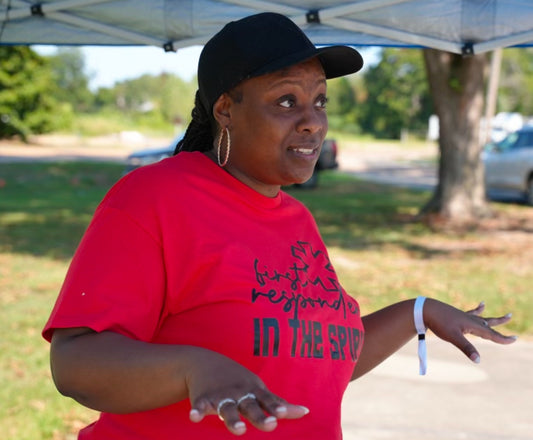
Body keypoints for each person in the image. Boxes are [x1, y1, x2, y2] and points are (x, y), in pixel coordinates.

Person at [42, 12, 516, 440]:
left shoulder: (296, 218)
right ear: (225, 109)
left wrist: (418, 312)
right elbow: (75, 363)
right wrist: (193, 369)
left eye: (320, 101)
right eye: (287, 101)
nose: (313, 122)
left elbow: (315, 360)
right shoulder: (155, 198)